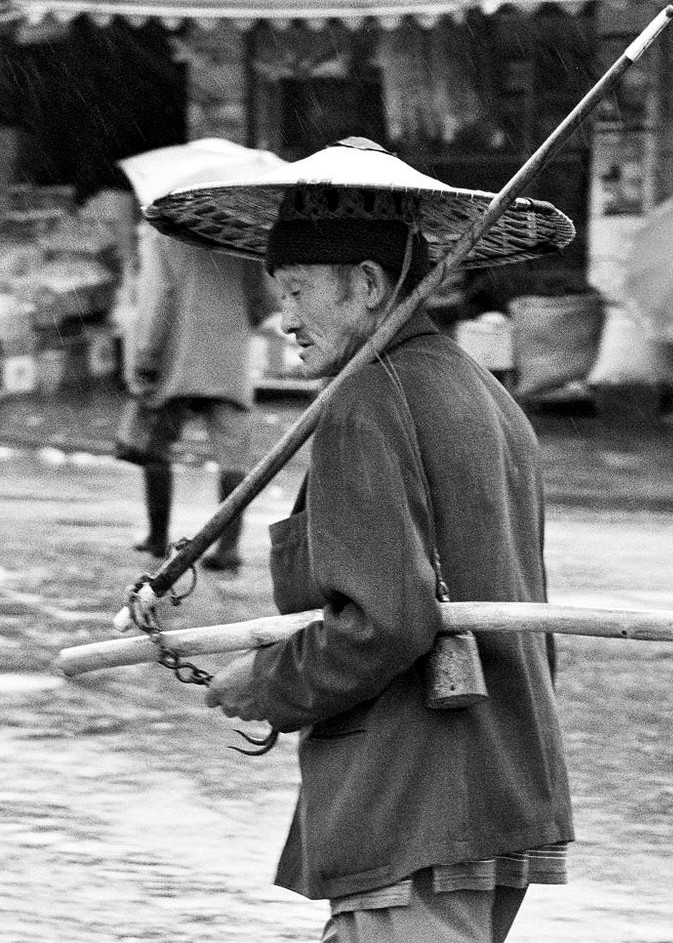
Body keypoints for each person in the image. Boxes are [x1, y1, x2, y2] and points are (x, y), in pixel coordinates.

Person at [153, 138, 574, 942]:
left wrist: (266, 682)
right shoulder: (485, 394)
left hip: (416, 801)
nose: (284, 318)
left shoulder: (367, 402)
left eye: (300, 289)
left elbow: (387, 620)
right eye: (279, 290)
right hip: (499, 790)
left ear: (370, 286)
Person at [116, 221, 274, 571]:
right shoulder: (239, 233)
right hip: (228, 358)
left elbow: (157, 301)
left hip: (178, 356)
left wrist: (144, 358)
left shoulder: (164, 234)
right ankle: (228, 548)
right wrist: (230, 321)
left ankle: (158, 537)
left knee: (156, 446)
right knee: (233, 457)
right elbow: (265, 300)